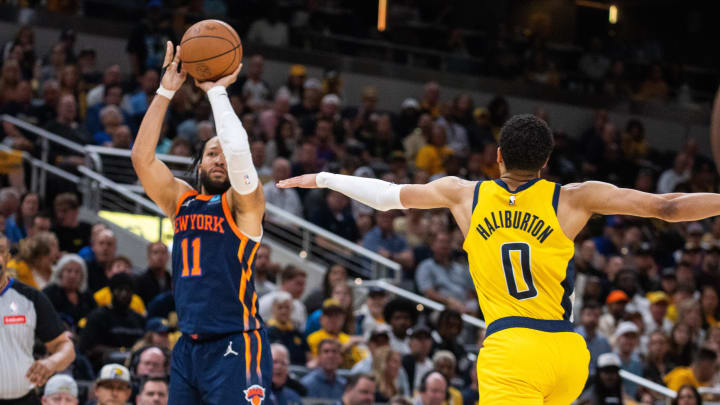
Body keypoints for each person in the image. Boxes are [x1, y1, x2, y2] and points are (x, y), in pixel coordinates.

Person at [278, 113, 720, 404]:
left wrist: (323, 177)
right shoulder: (574, 198)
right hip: (568, 353)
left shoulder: (463, 194)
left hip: (512, 348)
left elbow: (388, 198)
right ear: (545, 162)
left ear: (498, 157)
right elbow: (670, 206)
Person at [131, 42, 271, 404]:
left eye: (225, 154)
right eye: (212, 153)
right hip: (188, 346)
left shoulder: (245, 206)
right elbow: (142, 159)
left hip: (236, 343)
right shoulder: (182, 201)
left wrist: (216, 92)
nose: (220, 159)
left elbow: (239, 153)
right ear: (199, 164)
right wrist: (167, 90)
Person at [0, 234, 75, 405]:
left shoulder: (30, 297)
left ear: (7, 257)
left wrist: (51, 362)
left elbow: (66, 348)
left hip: (22, 399)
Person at [42, 253, 97, 329]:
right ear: (60, 273)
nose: (73, 276)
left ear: (82, 276)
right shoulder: (49, 293)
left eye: (77, 272)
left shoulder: (87, 294)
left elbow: (95, 317)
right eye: (69, 271)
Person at [134, 242, 171, 306]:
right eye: (155, 252)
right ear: (149, 256)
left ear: (168, 257)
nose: (160, 256)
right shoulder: (139, 281)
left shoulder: (172, 281)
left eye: (163, 253)